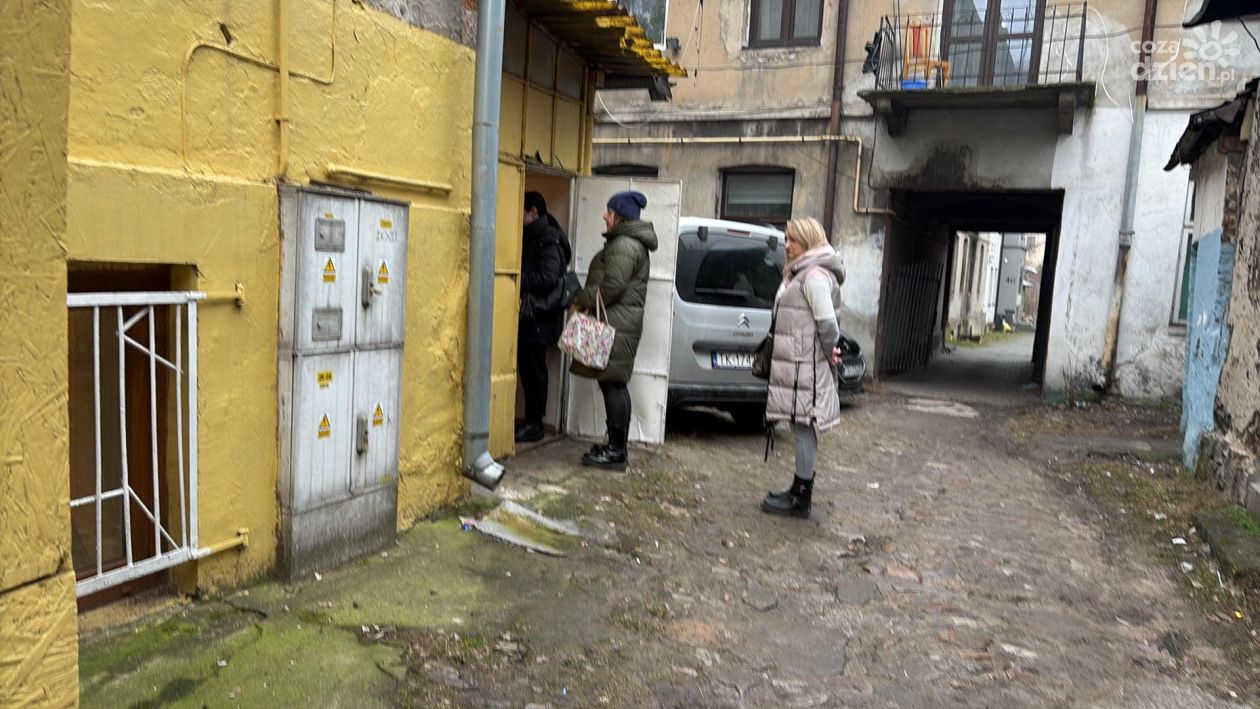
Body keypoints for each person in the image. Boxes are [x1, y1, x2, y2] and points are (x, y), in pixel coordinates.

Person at [762, 217, 846, 519]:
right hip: (801, 363)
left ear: (808, 241)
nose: (786, 245)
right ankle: (797, 489)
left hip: (805, 365)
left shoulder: (813, 276)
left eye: (792, 239)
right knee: (801, 427)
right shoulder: (802, 272)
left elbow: (827, 324)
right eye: (786, 238)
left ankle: (800, 499)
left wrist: (828, 351)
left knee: (803, 427)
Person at [570, 190, 657, 470]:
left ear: (619, 217)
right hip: (619, 323)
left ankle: (616, 452)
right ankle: (616, 446)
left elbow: (612, 287)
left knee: (613, 384)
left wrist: (581, 297)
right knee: (614, 383)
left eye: (609, 212)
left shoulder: (625, 245)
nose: (604, 217)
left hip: (617, 325)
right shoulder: (627, 243)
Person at [515, 191, 572, 443]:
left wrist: (517, 278)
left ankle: (535, 424)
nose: (518, 217)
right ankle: (531, 421)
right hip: (532, 315)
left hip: (541, 316)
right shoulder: (535, 235)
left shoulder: (548, 238)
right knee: (528, 369)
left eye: (522, 211)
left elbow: (548, 277)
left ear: (533, 212)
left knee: (534, 370)